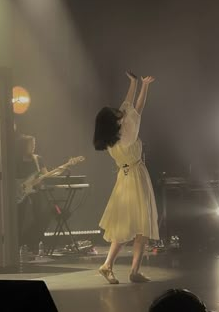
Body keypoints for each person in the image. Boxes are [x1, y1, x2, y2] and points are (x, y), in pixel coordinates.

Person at [93, 71, 159, 284]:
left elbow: (127, 106)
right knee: (141, 226)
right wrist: (145, 86)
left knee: (124, 226)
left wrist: (133, 83)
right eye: (118, 115)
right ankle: (128, 270)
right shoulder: (127, 134)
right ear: (115, 122)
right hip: (136, 178)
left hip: (124, 178)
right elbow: (136, 108)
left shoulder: (111, 140)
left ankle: (113, 266)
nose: (122, 114)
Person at [16, 134, 48, 253]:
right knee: (19, 218)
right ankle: (17, 245)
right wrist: (23, 185)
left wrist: (59, 171)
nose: (33, 147)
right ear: (23, 146)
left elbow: (45, 174)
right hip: (20, 193)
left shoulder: (38, 159)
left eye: (34, 144)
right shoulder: (16, 160)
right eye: (31, 145)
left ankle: (34, 244)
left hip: (35, 192)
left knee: (39, 217)